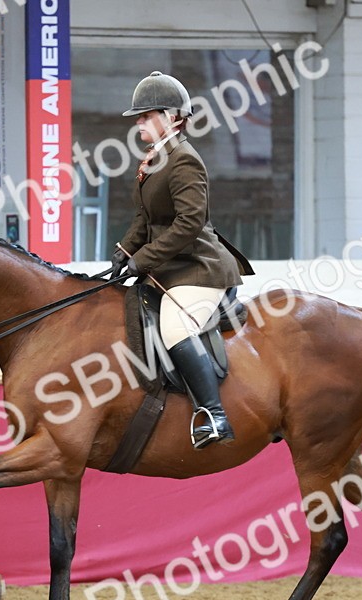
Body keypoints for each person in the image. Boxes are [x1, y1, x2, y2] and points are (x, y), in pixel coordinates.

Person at [112, 71, 254, 449]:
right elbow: (145, 218)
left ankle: (214, 415)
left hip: (199, 270)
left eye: (146, 115)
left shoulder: (184, 160)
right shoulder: (156, 158)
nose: (139, 122)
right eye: (138, 117)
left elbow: (189, 223)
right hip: (169, 267)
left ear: (172, 116)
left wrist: (143, 259)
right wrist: (124, 253)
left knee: (175, 329)